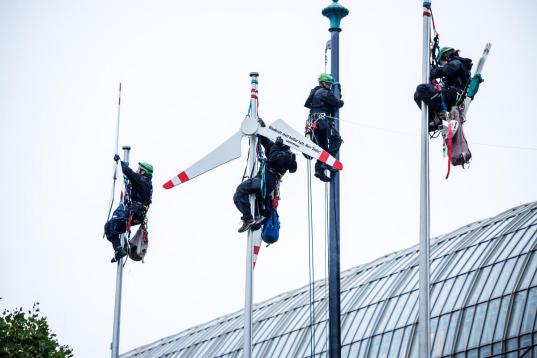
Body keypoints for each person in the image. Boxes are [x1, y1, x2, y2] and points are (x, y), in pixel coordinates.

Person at [233, 121, 297, 233]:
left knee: (241, 190)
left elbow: (275, 159)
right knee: (237, 196)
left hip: (268, 179)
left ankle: (249, 218)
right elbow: (265, 141)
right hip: (263, 177)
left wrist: (277, 146)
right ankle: (256, 218)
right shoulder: (276, 147)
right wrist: (261, 127)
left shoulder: (288, 155)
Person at [105, 155, 153, 262]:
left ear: (143, 172)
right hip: (136, 213)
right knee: (111, 228)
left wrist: (120, 163)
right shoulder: (144, 182)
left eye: (139, 170)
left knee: (110, 226)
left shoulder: (143, 181)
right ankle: (121, 248)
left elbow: (131, 174)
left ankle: (122, 248)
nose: (137, 171)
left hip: (135, 212)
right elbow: (132, 177)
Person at [414, 47, 473, 131]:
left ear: (446, 56)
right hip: (451, 96)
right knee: (417, 95)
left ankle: (441, 117)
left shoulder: (457, 62)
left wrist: (432, 72)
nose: (442, 64)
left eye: (442, 62)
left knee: (421, 89)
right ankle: (435, 118)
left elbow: (446, 70)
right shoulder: (453, 71)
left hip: (455, 94)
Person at [304, 73, 344, 182]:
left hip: (315, 123)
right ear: (322, 83)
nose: (329, 86)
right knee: (336, 139)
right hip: (322, 121)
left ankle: (319, 169)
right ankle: (328, 162)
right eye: (327, 83)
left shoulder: (316, 92)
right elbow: (337, 103)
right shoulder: (324, 92)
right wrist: (340, 98)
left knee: (323, 149)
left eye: (330, 84)